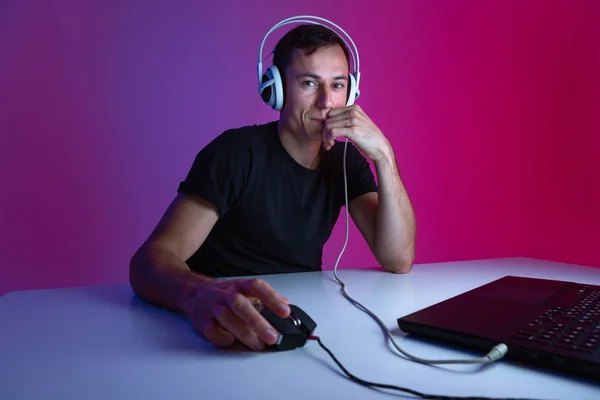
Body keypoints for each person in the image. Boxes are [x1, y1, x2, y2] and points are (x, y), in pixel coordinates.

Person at [129, 22, 416, 352]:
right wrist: (200, 293)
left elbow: (398, 258)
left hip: (297, 316)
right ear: (275, 89)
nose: (326, 101)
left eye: (337, 85)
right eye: (309, 83)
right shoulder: (236, 153)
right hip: (224, 317)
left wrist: (384, 156)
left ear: (350, 93)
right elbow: (149, 262)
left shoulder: (344, 161)